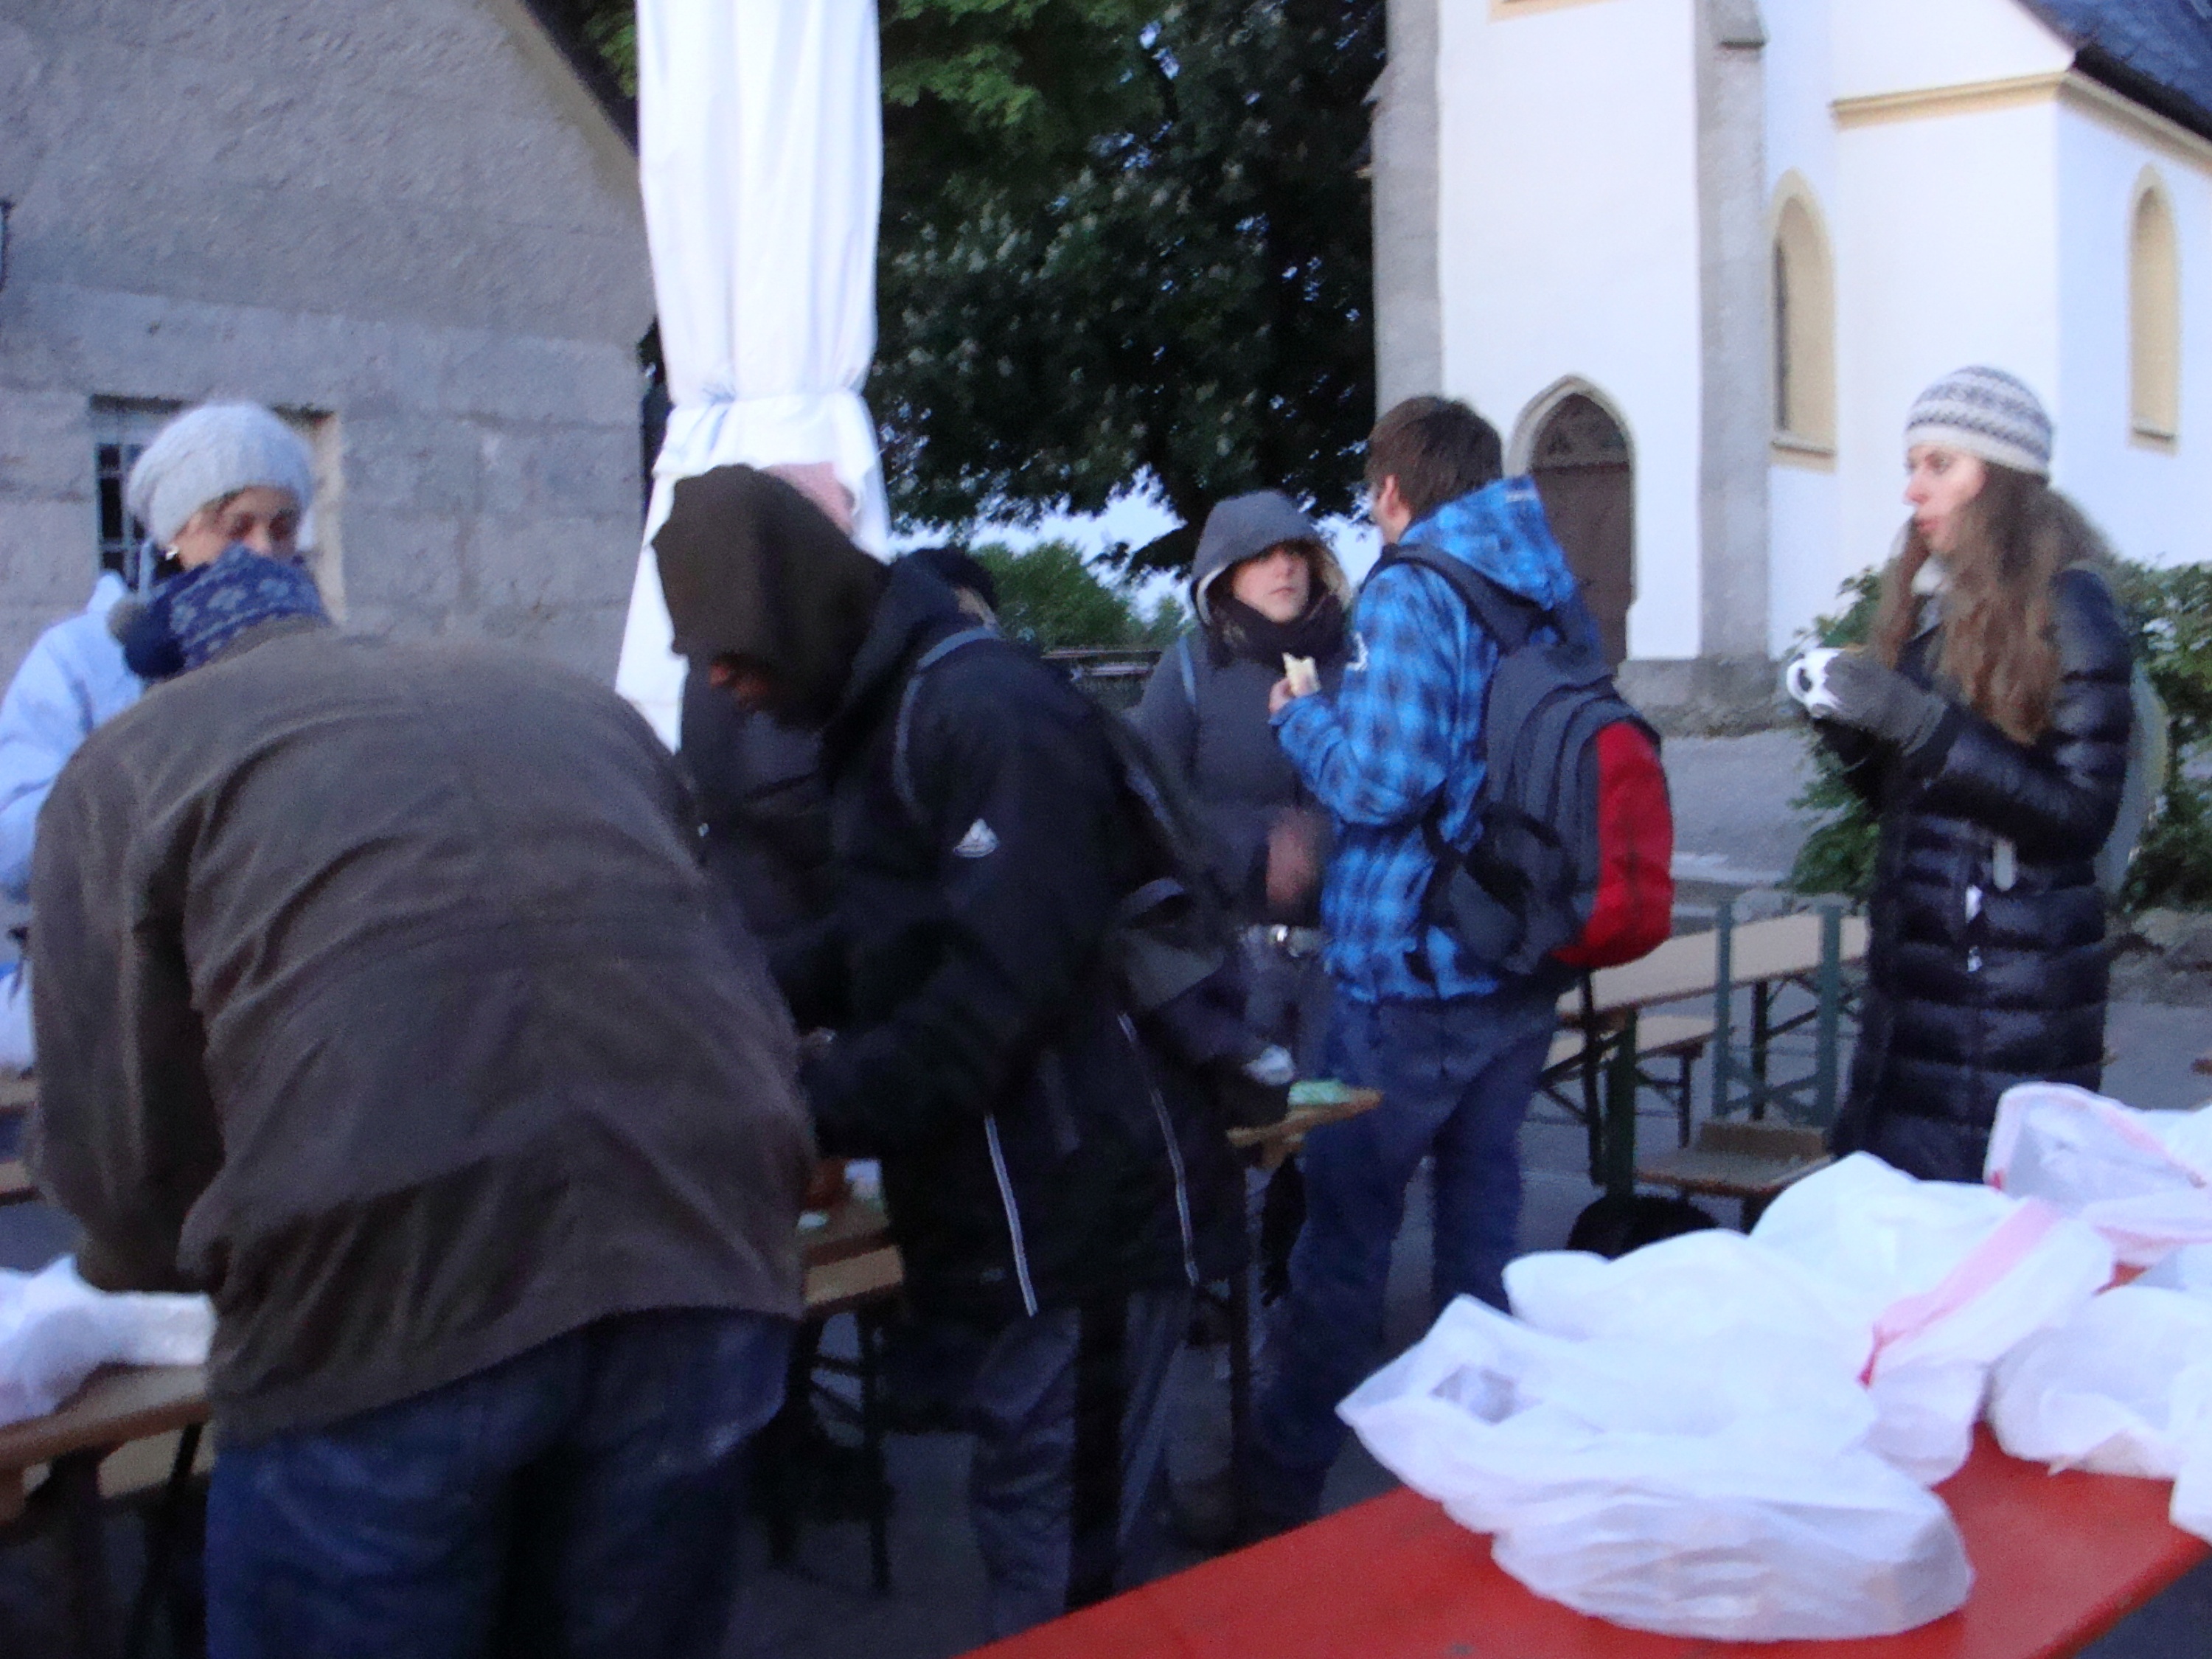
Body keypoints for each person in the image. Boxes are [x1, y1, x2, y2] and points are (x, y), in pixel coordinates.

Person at [28, 546, 814, 1659]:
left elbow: (121, 1145)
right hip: (710, 1234)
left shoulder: (131, 761)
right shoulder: (568, 703)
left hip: (390, 1277)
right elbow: (723, 971)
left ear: (169, 673)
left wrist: (165, 1264)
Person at [653, 465, 1243, 1638]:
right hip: (1015, 1215)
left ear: (799, 604)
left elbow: (993, 995)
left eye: (734, 652)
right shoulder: (880, 713)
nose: (720, 683)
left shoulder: (983, 711)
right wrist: (723, 1001)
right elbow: (891, 929)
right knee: (1031, 1522)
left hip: (1087, 1209)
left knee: (1067, 1576)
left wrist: (798, 1107)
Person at [1248, 396, 1593, 1534]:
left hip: (1410, 971)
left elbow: (1381, 784)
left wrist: (1303, 716)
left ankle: (1283, 1498)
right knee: (1481, 1230)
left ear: (1390, 493)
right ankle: (1473, 1490)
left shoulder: (1410, 588)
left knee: (1342, 1242)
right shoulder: (1548, 585)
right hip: (1520, 955)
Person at [1809, 366, 2133, 1182]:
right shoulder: (1937, 612)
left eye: (1938, 465)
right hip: (1917, 1006)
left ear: (2002, 482)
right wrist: (1849, 732)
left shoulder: (2073, 613)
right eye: (1913, 464)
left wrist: (1920, 725)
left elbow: (2077, 816)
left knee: (1976, 1260)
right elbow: (1916, 804)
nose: (1913, 489)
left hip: (2009, 1018)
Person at [0, 401, 313, 1065]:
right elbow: (15, 847)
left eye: (282, 528)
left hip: (275, 996)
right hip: (118, 1008)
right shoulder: (81, 659)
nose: (265, 551)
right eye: (237, 528)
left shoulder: (311, 661)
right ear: (174, 532)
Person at [1131, 491, 1349, 1070]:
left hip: (1349, 964)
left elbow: (1391, 786)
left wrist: (1323, 843)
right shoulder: (1187, 673)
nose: (1284, 567)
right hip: (1230, 965)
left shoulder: (1358, 664)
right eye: (1262, 555)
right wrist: (1259, 847)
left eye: (1296, 552)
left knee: (1342, 1147)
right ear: (1226, 576)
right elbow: (1149, 809)